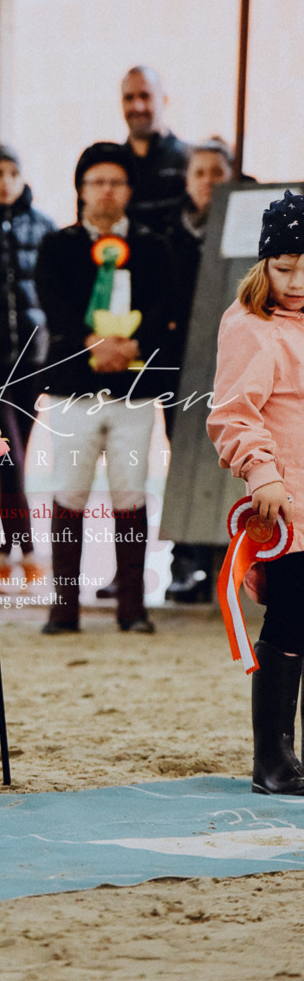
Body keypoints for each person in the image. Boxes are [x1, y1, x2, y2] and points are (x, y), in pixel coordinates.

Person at [35, 142, 174, 635]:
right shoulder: (57, 245)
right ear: (81, 190)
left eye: (116, 181)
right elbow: (53, 305)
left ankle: (133, 609)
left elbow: (165, 306)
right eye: (97, 181)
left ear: (129, 190)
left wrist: (132, 345)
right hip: (73, 389)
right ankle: (63, 609)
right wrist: (94, 343)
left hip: (135, 392)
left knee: (131, 495)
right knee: (68, 494)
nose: (106, 190)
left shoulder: (155, 247)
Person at [207, 190, 304, 796]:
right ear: (263, 265)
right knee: (293, 617)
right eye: (284, 266)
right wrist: (261, 471)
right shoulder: (251, 326)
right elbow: (233, 413)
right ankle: (272, 755)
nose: (295, 281)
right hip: (289, 502)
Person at [0, 143, 57, 583]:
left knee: (16, 455)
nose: (5, 180)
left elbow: (54, 296)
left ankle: (7, 548)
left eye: (13, 172)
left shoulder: (43, 228)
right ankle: (24, 546)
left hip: (31, 362)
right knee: (9, 455)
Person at [162, 139, 234, 602]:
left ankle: (227, 564)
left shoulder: (252, 228)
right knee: (184, 457)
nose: (209, 181)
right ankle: (185, 563)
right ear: (187, 181)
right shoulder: (170, 233)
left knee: (232, 458)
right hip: (179, 364)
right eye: (200, 172)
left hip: (233, 359)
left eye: (217, 172)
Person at [120, 66, 189, 232]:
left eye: (145, 96)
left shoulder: (190, 160)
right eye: (129, 98)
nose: (137, 106)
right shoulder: (115, 166)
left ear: (164, 100)